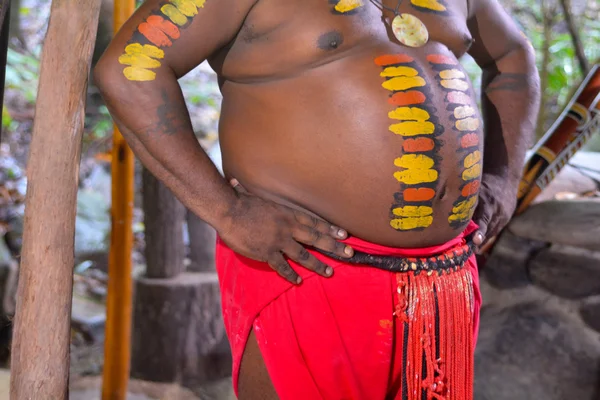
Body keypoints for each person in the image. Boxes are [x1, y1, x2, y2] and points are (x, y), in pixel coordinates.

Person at [94, 0, 539, 397]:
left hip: (443, 280)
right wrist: (226, 211)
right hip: (310, 267)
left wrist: (502, 179)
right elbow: (131, 70)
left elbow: (512, 56)